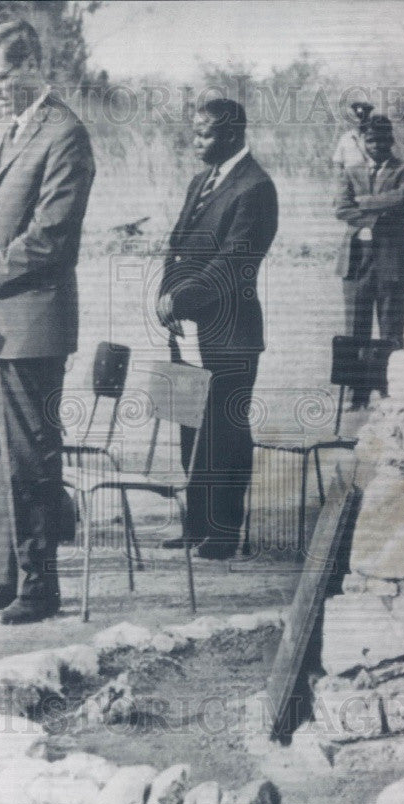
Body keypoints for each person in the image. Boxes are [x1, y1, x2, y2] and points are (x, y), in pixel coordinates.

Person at [0, 20, 95, 624]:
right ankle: (4, 575)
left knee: (31, 455)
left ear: (34, 63)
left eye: (4, 77)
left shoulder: (65, 134)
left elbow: (50, 238)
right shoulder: (5, 128)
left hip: (32, 323)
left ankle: (40, 584)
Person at [156, 98, 278, 561]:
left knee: (226, 428)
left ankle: (223, 533)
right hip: (185, 326)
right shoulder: (200, 181)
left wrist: (181, 299)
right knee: (190, 425)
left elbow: (235, 263)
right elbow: (178, 248)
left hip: (230, 330)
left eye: (204, 133)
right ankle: (196, 525)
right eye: (195, 132)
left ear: (231, 134)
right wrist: (165, 299)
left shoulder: (256, 187)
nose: (196, 141)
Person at [334, 115, 404, 409]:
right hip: (356, 261)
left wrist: (364, 202)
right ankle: (355, 394)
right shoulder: (351, 171)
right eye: (372, 140)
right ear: (363, 142)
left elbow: (401, 200)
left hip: (390, 259)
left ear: (392, 140)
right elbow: (341, 209)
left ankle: (389, 390)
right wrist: (375, 213)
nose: (378, 145)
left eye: (383, 139)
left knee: (390, 328)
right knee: (354, 329)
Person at [331, 100, 375, 172]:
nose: (360, 122)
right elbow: (337, 162)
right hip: (350, 179)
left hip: (369, 178)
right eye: (357, 118)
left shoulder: (375, 138)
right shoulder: (346, 138)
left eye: (363, 119)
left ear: (368, 120)